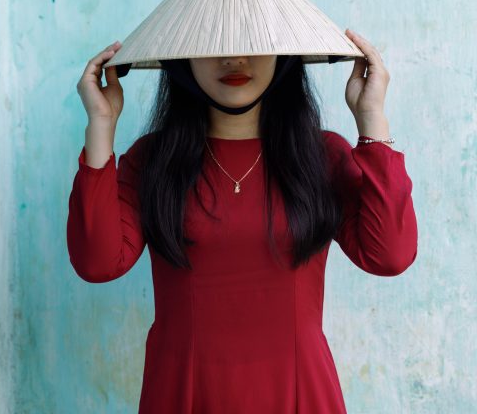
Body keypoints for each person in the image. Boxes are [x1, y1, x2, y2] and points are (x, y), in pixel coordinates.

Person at [66, 29, 418, 413]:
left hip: (299, 392)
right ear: (184, 57)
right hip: (183, 391)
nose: (234, 60)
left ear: (282, 54)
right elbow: (97, 264)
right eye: (213, 43)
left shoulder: (322, 156)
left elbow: (390, 256)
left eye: (252, 43)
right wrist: (100, 127)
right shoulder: (152, 160)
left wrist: (371, 118)